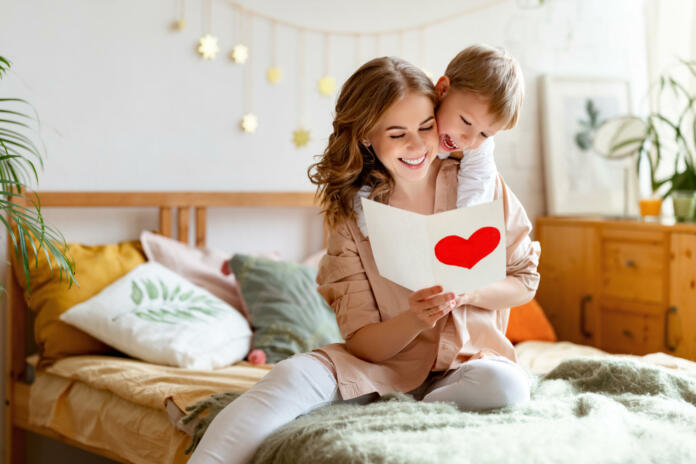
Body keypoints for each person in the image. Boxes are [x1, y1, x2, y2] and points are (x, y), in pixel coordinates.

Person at [188, 56, 540, 464]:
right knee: (290, 376)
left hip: (468, 367)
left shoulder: (479, 187)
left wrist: (470, 291)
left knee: (507, 386)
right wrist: (415, 318)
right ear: (368, 137)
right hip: (380, 370)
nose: (417, 145)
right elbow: (363, 344)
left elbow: (525, 280)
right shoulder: (353, 215)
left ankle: (401, 416)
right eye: (397, 134)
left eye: (426, 127)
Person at [435, 44, 526, 209]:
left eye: (484, 134)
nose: (469, 139)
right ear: (442, 90)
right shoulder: (416, 115)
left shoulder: (480, 148)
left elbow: (477, 190)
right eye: (466, 121)